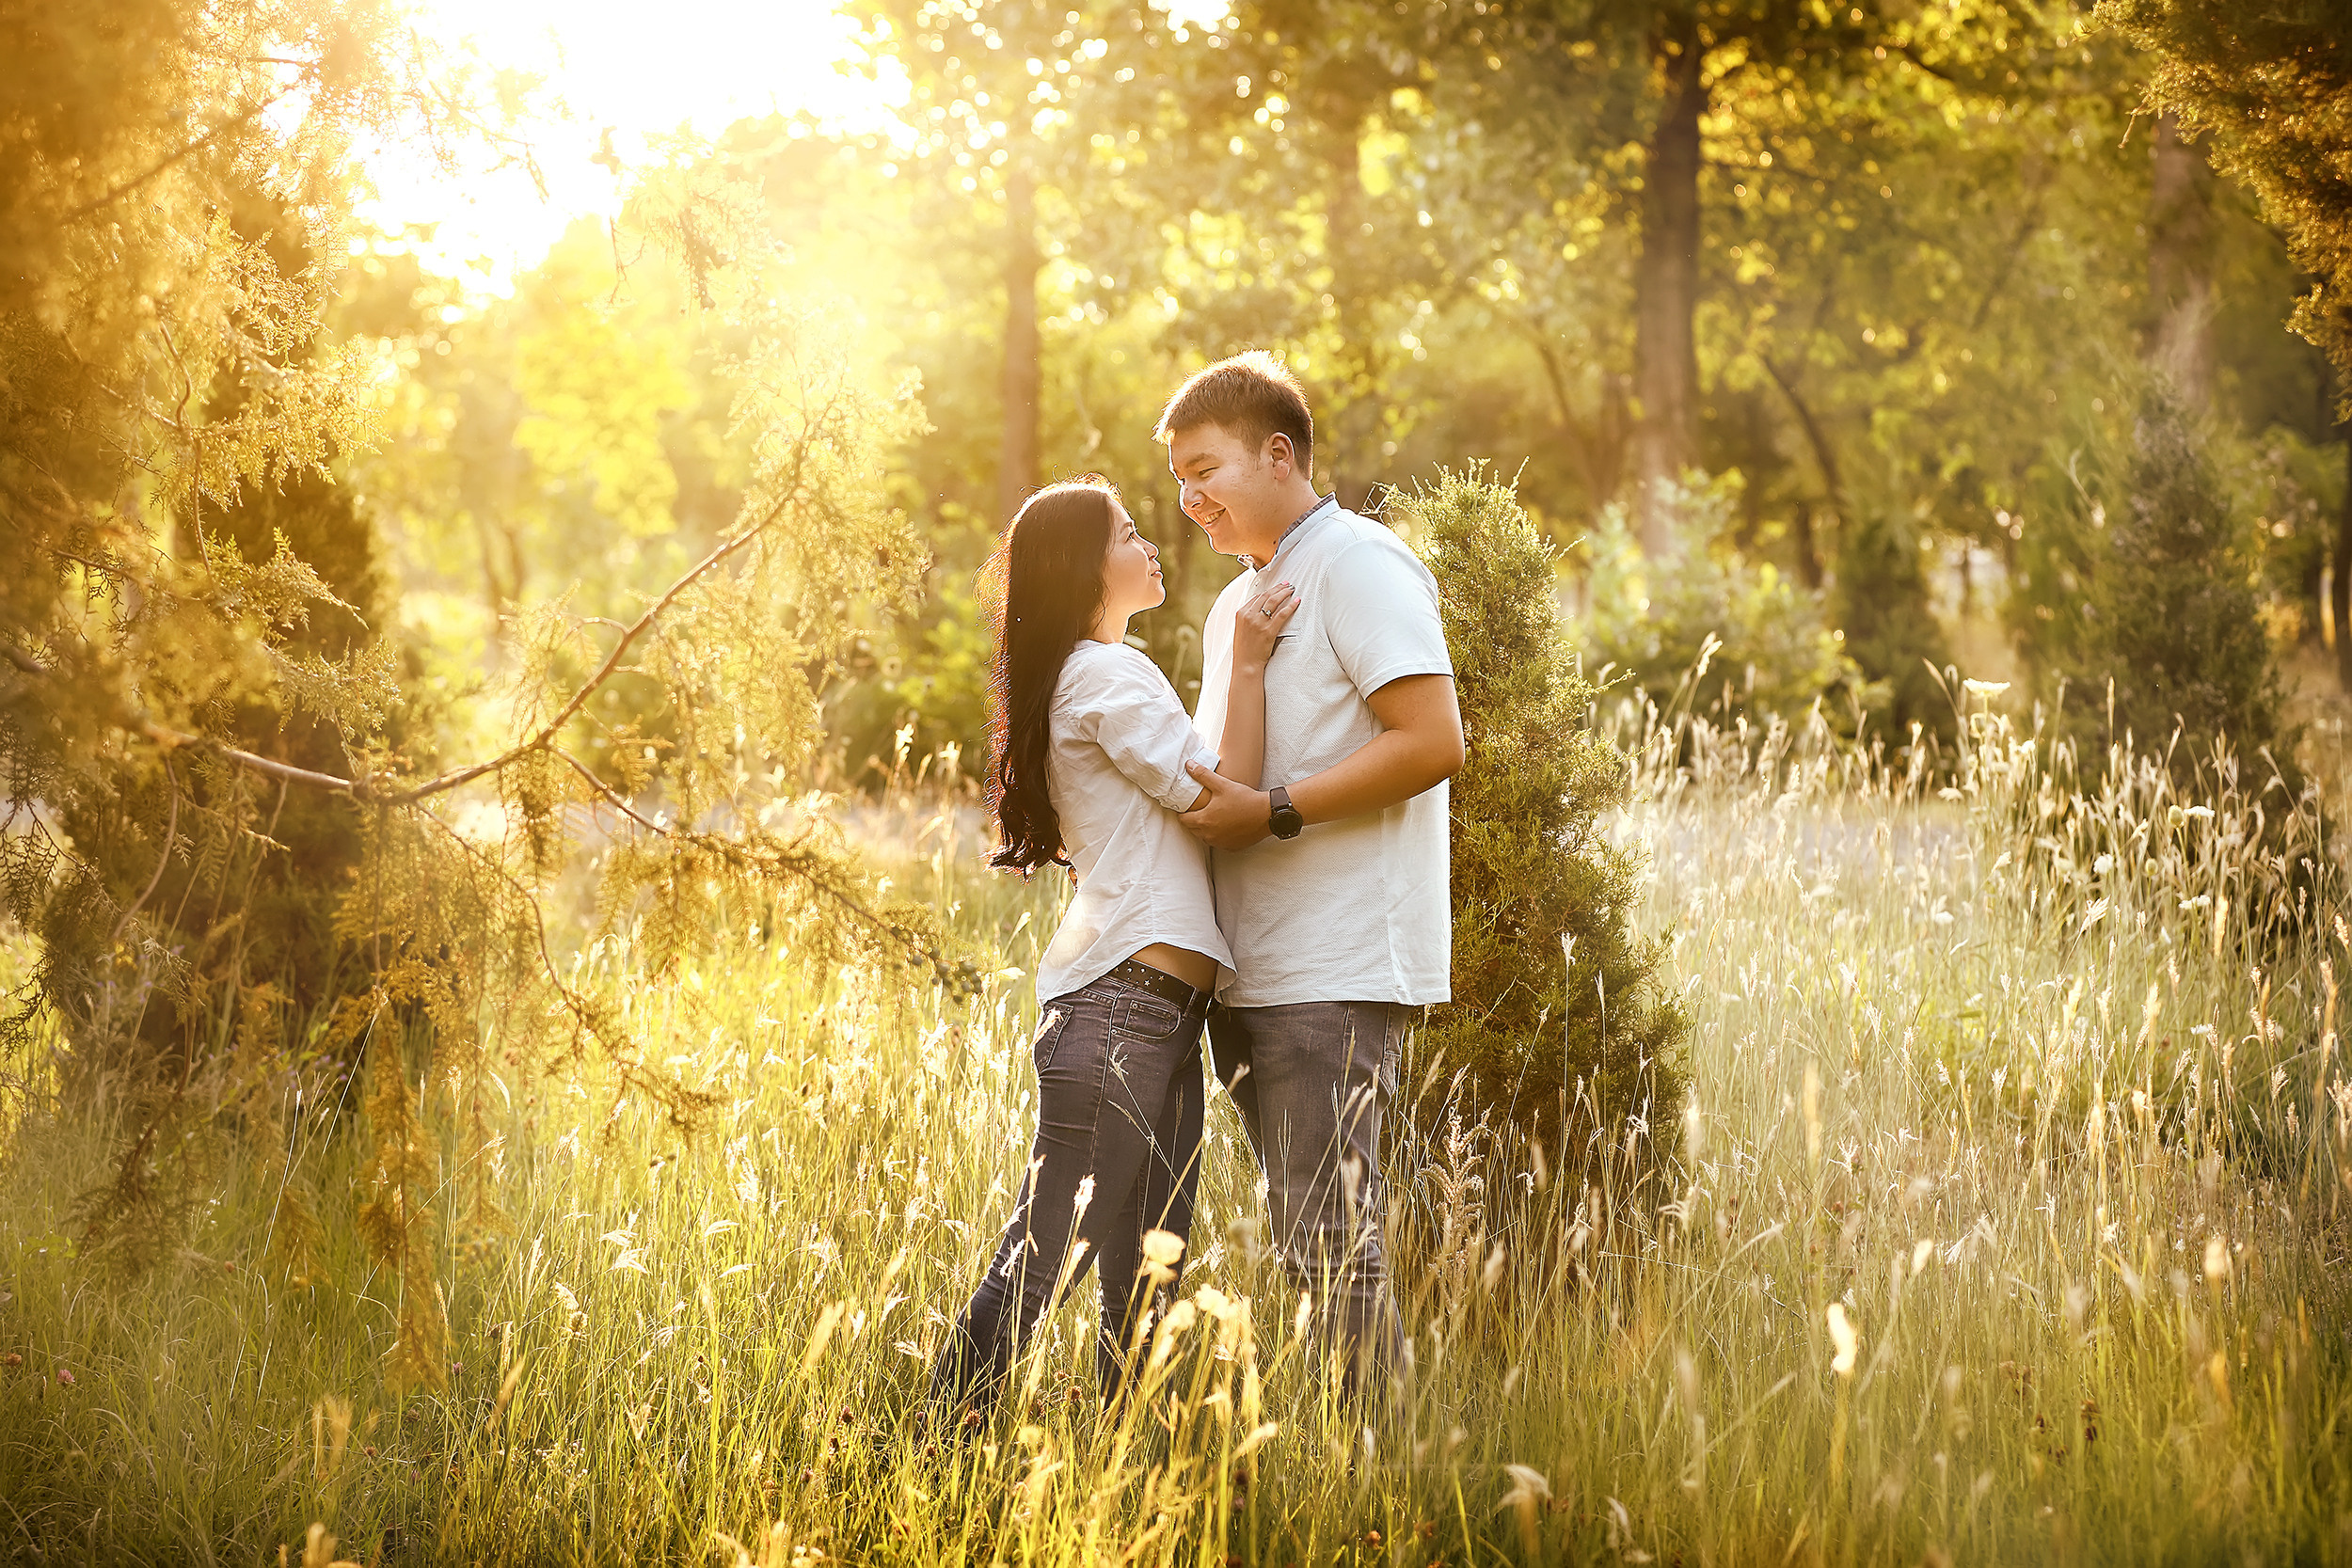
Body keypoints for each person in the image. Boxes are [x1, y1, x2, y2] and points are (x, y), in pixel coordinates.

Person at [930, 475, 1299, 1415]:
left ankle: (1124, 1486)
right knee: (1045, 1255)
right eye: (1130, 533)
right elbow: (1227, 803)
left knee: (1142, 1277)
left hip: (1156, 1011)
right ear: (1086, 567)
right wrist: (1249, 663)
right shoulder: (1104, 675)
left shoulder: (1092, 675)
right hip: (1124, 1004)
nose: (1150, 545)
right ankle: (930, 1440)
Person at [1160, 352, 1464, 1398]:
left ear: (1277, 452)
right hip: (1252, 969)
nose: (1189, 498)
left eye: (1206, 469)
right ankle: (1372, 1455)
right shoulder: (1234, 606)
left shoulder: (1359, 563)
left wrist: (1278, 809)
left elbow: (1432, 741)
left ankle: (1386, 1469)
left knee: (1330, 1240)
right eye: (1177, 479)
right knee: (1308, 1238)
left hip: (1331, 965)